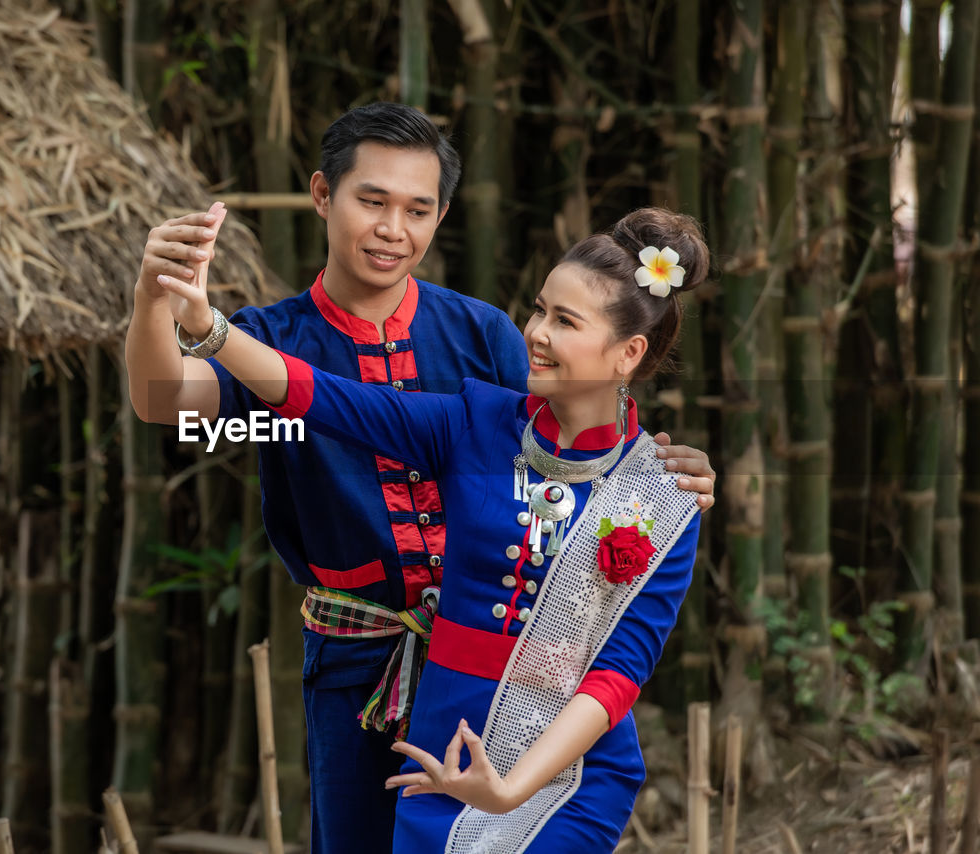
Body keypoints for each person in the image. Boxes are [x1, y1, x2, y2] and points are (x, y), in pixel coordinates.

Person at [126, 103, 716, 853]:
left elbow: (571, 422)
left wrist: (664, 474)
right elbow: (164, 401)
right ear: (321, 194)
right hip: (356, 651)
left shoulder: (483, 334)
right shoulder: (278, 339)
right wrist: (161, 305)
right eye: (371, 201)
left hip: (511, 669)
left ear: (441, 215)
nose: (391, 228)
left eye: (417, 208)